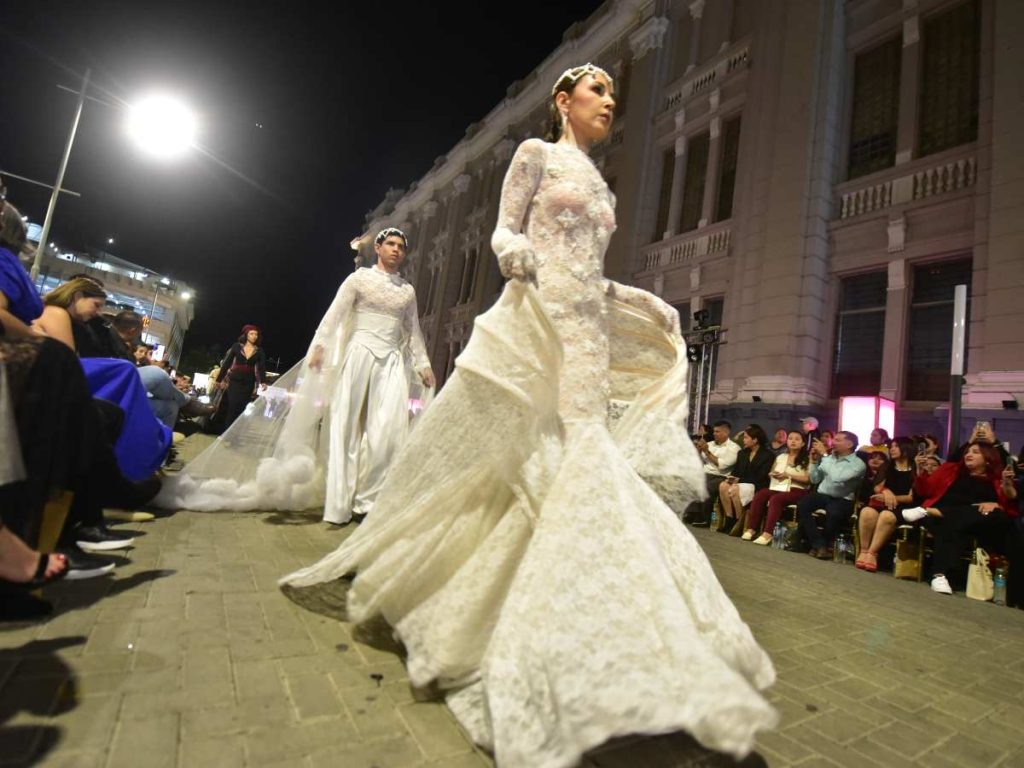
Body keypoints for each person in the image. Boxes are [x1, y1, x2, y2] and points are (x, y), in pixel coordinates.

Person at [280, 63, 775, 766]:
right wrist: (512, 249)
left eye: (613, 92)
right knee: (540, 458)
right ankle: (529, 625)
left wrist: (642, 300)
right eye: (598, 90)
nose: (610, 100)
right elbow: (508, 231)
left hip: (586, 331)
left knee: (575, 454)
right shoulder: (535, 155)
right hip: (536, 317)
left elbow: (589, 265)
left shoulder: (600, 181)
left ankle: (583, 628)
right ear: (564, 101)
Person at [160, 230, 436, 522]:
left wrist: (423, 363)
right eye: (390, 244)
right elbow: (334, 316)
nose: (396, 250)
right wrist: (320, 346)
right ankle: (341, 501)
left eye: (401, 247)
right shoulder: (358, 279)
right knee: (346, 427)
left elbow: (412, 330)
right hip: (358, 355)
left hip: (391, 361)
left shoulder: (407, 290)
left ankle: (369, 500)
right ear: (378, 248)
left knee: (387, 432)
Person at [903, 442, 1018, 594]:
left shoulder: (996, 481)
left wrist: (997, 504)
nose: (968, 454)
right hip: (944, 521)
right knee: (952, 524)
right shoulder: (952, 472)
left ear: (988, 459)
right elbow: (925, 491)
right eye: (967, 452)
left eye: (975, 452)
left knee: (994, 514)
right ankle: (940, 575)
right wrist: (919, 470)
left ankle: (929, 512)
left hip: (975, 522)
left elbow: (1011, 508)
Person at [796, 431, 866, 559]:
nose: (833, 442)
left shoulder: (858, 464)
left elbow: (836, 478)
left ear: (849, 444)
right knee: (803, 504)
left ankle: (821, 546)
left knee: (834, 513)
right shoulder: (830, 458)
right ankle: (819, 545)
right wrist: (813, 462)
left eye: (838, 440)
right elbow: (815, 479)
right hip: (823, 494)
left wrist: (824, 455)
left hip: (843, 498)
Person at [856, 436, 915, 571]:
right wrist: (886, 492)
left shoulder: (914, 469)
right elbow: (877, 487)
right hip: (882, 502)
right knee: (867, 512)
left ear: (906, 449)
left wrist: (893, 498)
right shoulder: (887, 465)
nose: (892, 449)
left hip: (902, 506)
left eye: (896, 446)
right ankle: (863, 551)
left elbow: (911, 497)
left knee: (886, 516)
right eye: (891, 447)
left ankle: (872, 553)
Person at [745, 430, 811, 544]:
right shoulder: (781, 456)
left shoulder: (807, 458)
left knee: (776, 499)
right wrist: (773, 474)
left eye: (797, 439)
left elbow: (808, 479)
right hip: (779, 487)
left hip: (797, 489)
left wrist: (789, 476)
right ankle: (752, 529)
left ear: (803, 443)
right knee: (761, 494)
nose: (793, 441)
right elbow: (772, 471)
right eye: (790, 438)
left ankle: (768, 533)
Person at [717, 424, 774, 536]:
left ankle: (739, 521)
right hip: (741, 483)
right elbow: (736, 471)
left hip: (757, 485)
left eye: (746, 437)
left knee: (735, 488)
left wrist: (739, 480)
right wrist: (731, 478)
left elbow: (762, 476)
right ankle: (730, 518)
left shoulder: (768, 455)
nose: (743, 440)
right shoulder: (742, 453)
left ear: (755, 439)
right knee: (723, 485)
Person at [685, 419, 740, 526]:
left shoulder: (734, 448)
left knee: (707, 487)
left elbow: (722, 465)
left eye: (717, 432)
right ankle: (692, 513)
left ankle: (704, 518)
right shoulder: (710, 444)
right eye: (714, 431)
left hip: (721, 476)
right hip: (705, 473)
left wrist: (707, 451)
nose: (714, 434)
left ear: (726, 433)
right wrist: (698, 450)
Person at [215, 325, 267, 429]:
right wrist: (219, 380)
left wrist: (263, 382)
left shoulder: (259, 350)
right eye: (251, 334)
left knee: (241, 408)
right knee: (232, 406)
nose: (254, 336)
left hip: (248, 382)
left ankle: (234, 434)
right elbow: (226, 363)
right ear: (246, 335)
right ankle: (226, 433)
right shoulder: (236, 346)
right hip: (235, 381)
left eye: (256, 334)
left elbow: (261, 367)